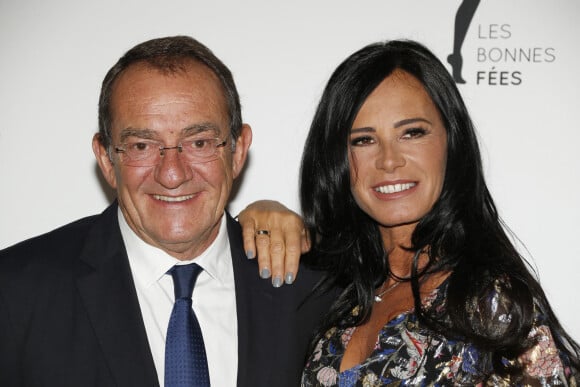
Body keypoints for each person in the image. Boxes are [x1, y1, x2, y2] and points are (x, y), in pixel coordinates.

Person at [239, 40, 580, 385]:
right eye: (363, 140)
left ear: (452, 140)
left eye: (412, 133)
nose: (389, 160)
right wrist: (259, 214)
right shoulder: (334, 291)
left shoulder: (490, 305)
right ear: (337, 160)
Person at [0, 35, 333, 387]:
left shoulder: (317, 290)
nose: (172, 174)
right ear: (106, 159)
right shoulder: (16, 293)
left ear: (237, 151)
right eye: (142, 145)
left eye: (199, 142)